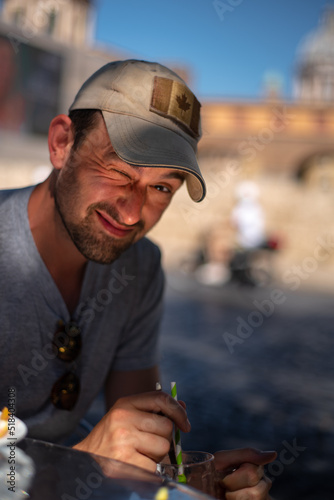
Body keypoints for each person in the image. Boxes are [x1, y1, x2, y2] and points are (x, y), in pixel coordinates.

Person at [0, 60, 276, 498]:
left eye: (161, 188)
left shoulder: (140, 266)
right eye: (118, 172)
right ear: (61, 144)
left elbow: (145, 443)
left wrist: (192, 482)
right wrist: (86, 458)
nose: (132, 214)